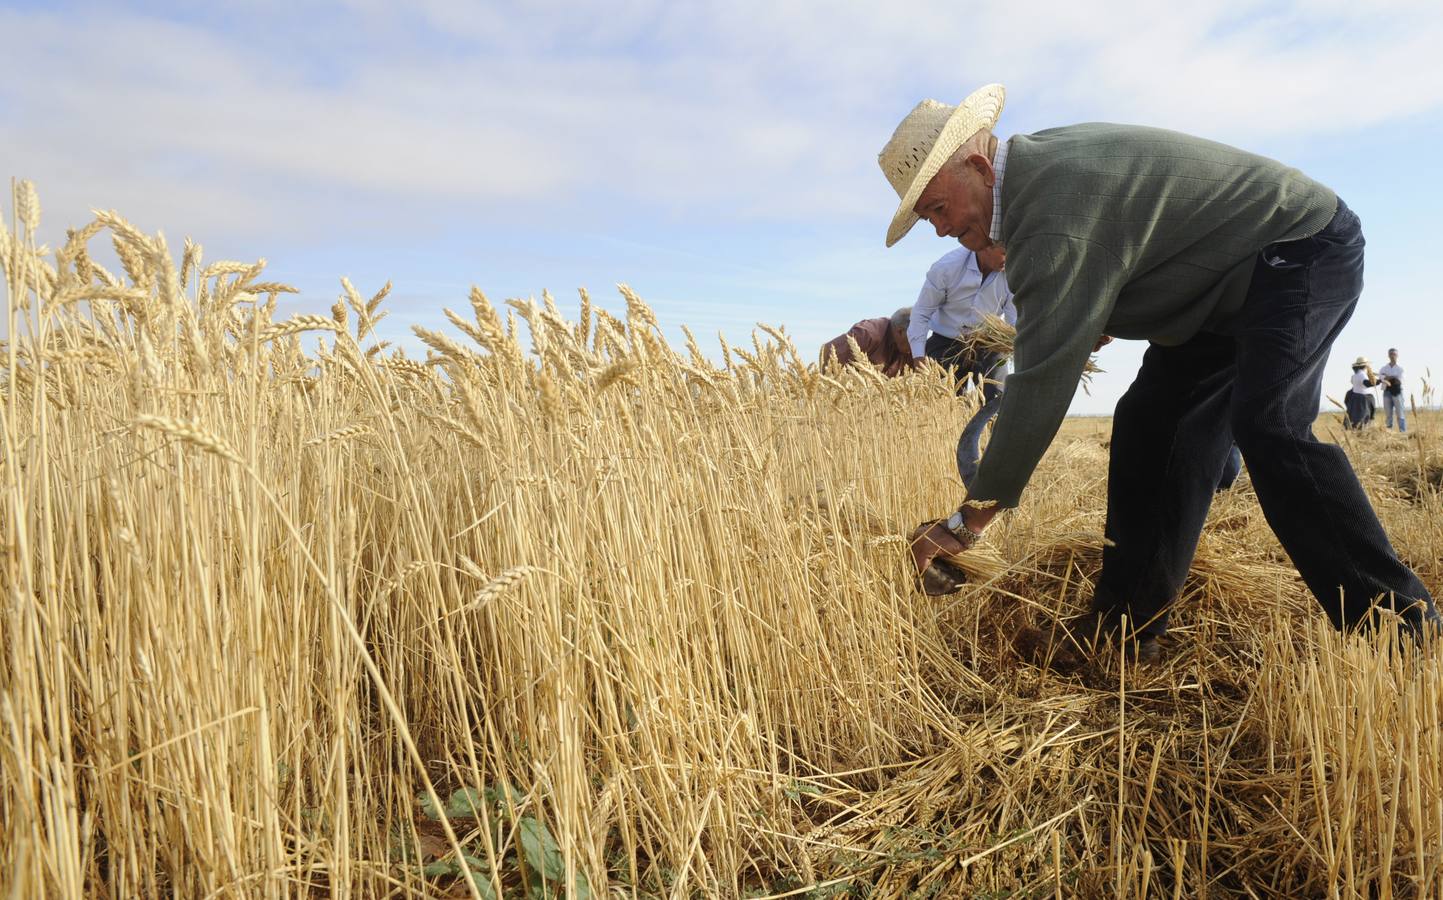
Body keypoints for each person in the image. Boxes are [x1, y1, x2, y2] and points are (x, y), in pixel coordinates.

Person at [887, 84, 1439, 657]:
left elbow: (1042, 380)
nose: (940, 229)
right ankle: (1126, 630)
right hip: (1218, 293)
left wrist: (967, 521)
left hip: (1297, 248)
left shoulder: (1047, 208)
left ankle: (1404, 633)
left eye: (937, 209)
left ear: (978, 167)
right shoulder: (1033, 180)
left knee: (1269, 424)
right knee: (1151, 426)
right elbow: (1131, 249)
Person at [910, 243, 1017, 487]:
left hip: (990, 341)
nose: (1007, 258)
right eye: (1003, 251)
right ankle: (937, 465)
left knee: (998, 403)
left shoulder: (1012, 272)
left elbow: (1014, 317)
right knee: (938, 408)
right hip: (946, 342)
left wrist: (1018, 347)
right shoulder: (947, 268)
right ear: (984, 247)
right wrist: (919, 358)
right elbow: (921, 314)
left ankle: (993, 469)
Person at [819, 307, 917, 377]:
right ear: (900, 331)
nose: (918, 344)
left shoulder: (911, 349)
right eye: (916, 338)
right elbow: (829, 353)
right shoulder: (867, 334)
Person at [1345, 356, 1379, 430]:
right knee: (1363, 418)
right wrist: (1379, 381)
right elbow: (1367, 384)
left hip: (1355, 398)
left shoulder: (1355, 375)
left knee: (1355, 418)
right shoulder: (1362, 374)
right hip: (1363, 400)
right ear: (1366, 366)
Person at [1378, 348, 1406, 432]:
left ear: (1397, 355)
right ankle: (1389, 432)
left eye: (1394, 354)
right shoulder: (1383, 368)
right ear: (1388, 355)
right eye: (1391, 354)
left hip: (1397, 392)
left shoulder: (1400, 368)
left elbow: (1399, 381)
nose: (1392, 356)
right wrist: (1393, 377)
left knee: (1400, 414)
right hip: (1387, 392)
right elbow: (1381, 378)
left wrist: (1388, 377)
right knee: (1388, 414)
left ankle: (1402, 432)